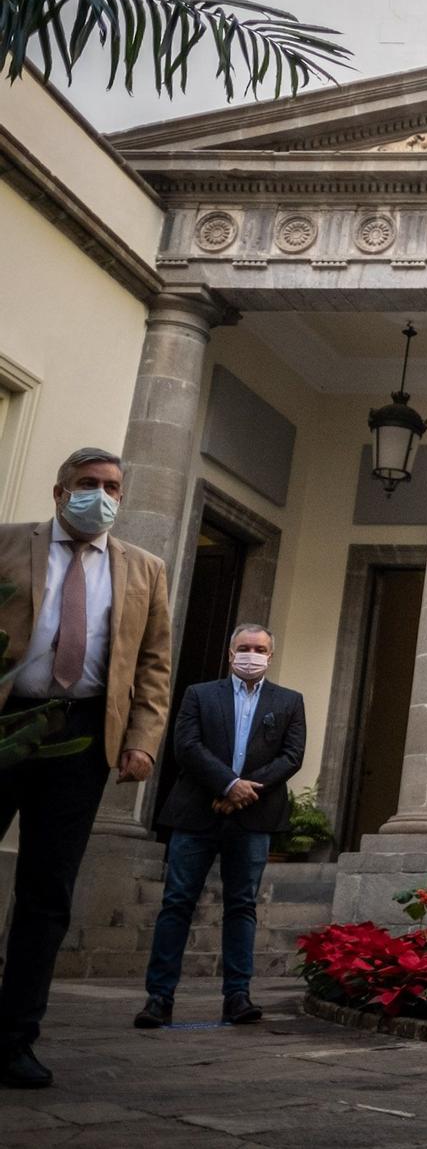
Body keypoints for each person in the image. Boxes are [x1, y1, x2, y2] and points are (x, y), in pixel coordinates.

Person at [0, 447, 170, 1090]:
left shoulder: (145, 569)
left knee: (47, 893)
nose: (99, 495)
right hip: (8, 720)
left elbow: (155, 663)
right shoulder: (9, 544)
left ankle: (15, 1038)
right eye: (87, 484)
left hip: (80, 736)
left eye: (111, 487)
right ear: (58, 490)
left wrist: (143, 740)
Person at [134, 624, 307, 1028]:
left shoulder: (289, 701)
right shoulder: (199, 694)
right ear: (231, 654)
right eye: (244, 648)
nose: (252, 654)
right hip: (196, 813)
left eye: (260, 648)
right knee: (177, 902)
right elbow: (187, 747)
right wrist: (227, 783)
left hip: (253, 816)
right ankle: (159, 998)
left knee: (242, 905)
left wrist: (245, 791)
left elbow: (291, 756)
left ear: (271, 655)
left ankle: (237, 997)